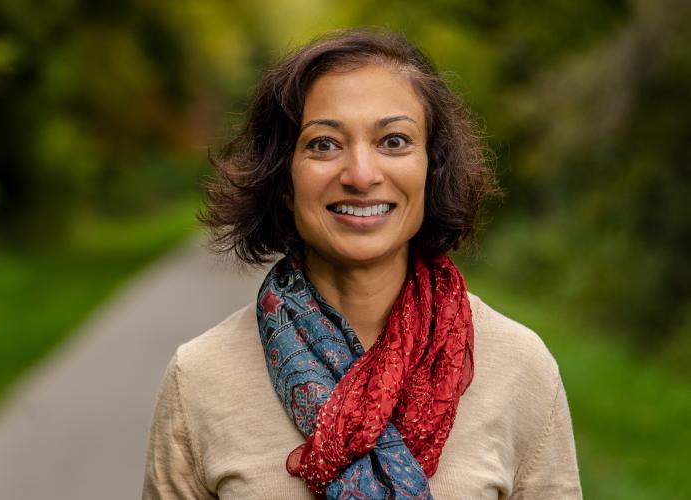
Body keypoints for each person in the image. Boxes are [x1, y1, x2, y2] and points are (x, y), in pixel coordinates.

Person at [142, 28, 582, 499]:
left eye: (393, 141)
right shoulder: (200, 379)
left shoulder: (519, 368)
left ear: (431, 169)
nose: (361, 175)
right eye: (324, 144)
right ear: (284, 180)